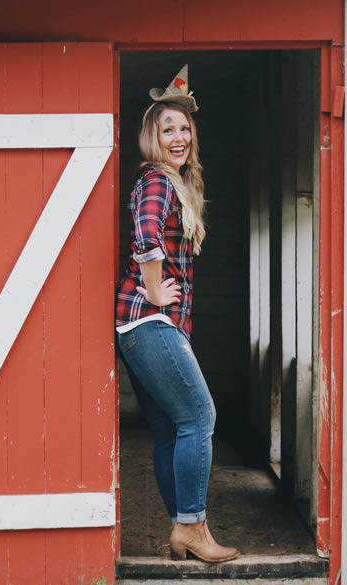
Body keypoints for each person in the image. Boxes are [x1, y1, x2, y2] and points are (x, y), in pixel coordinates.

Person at [115, 66, 239, 564]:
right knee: (200, 416)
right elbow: (145, 237)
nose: (178, 136)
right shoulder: (158, 183)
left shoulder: (175, 183)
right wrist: (155, 293)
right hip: (150, 324)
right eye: (168, 128)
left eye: (184, 128)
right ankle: (192, 525)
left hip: (142, 328)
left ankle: (181, 530)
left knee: (170, 429)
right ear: (153, 136)